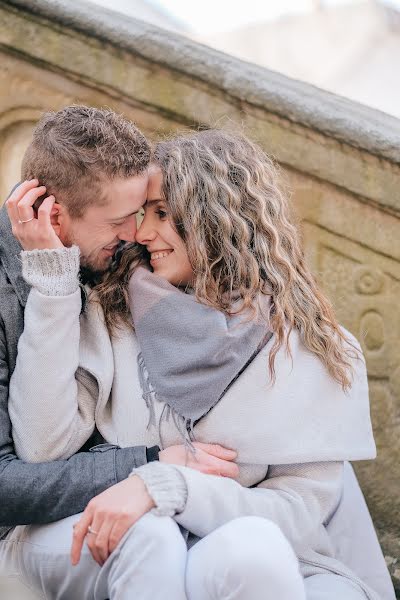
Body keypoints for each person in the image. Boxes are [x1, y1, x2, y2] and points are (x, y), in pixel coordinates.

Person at [5, 127, 395, 600]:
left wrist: (167, 484)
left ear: (214, 217)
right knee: (165, 544)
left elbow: (299, 512)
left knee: (251, 552)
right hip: (139, 545)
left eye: (163, 214)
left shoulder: (306, 344)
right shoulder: (111, 312)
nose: (142, 234)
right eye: (141, 214)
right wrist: (53, 289)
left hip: (244, 548)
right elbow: (44, 444)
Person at [0, 108, 240, 590]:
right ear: (52, 214)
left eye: (142, 214)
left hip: (126, 501)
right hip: (28, 528)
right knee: (147, 539)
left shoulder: (118, 261)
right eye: (119, 220)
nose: (137, 235)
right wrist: (150, 463)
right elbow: (8, 482)